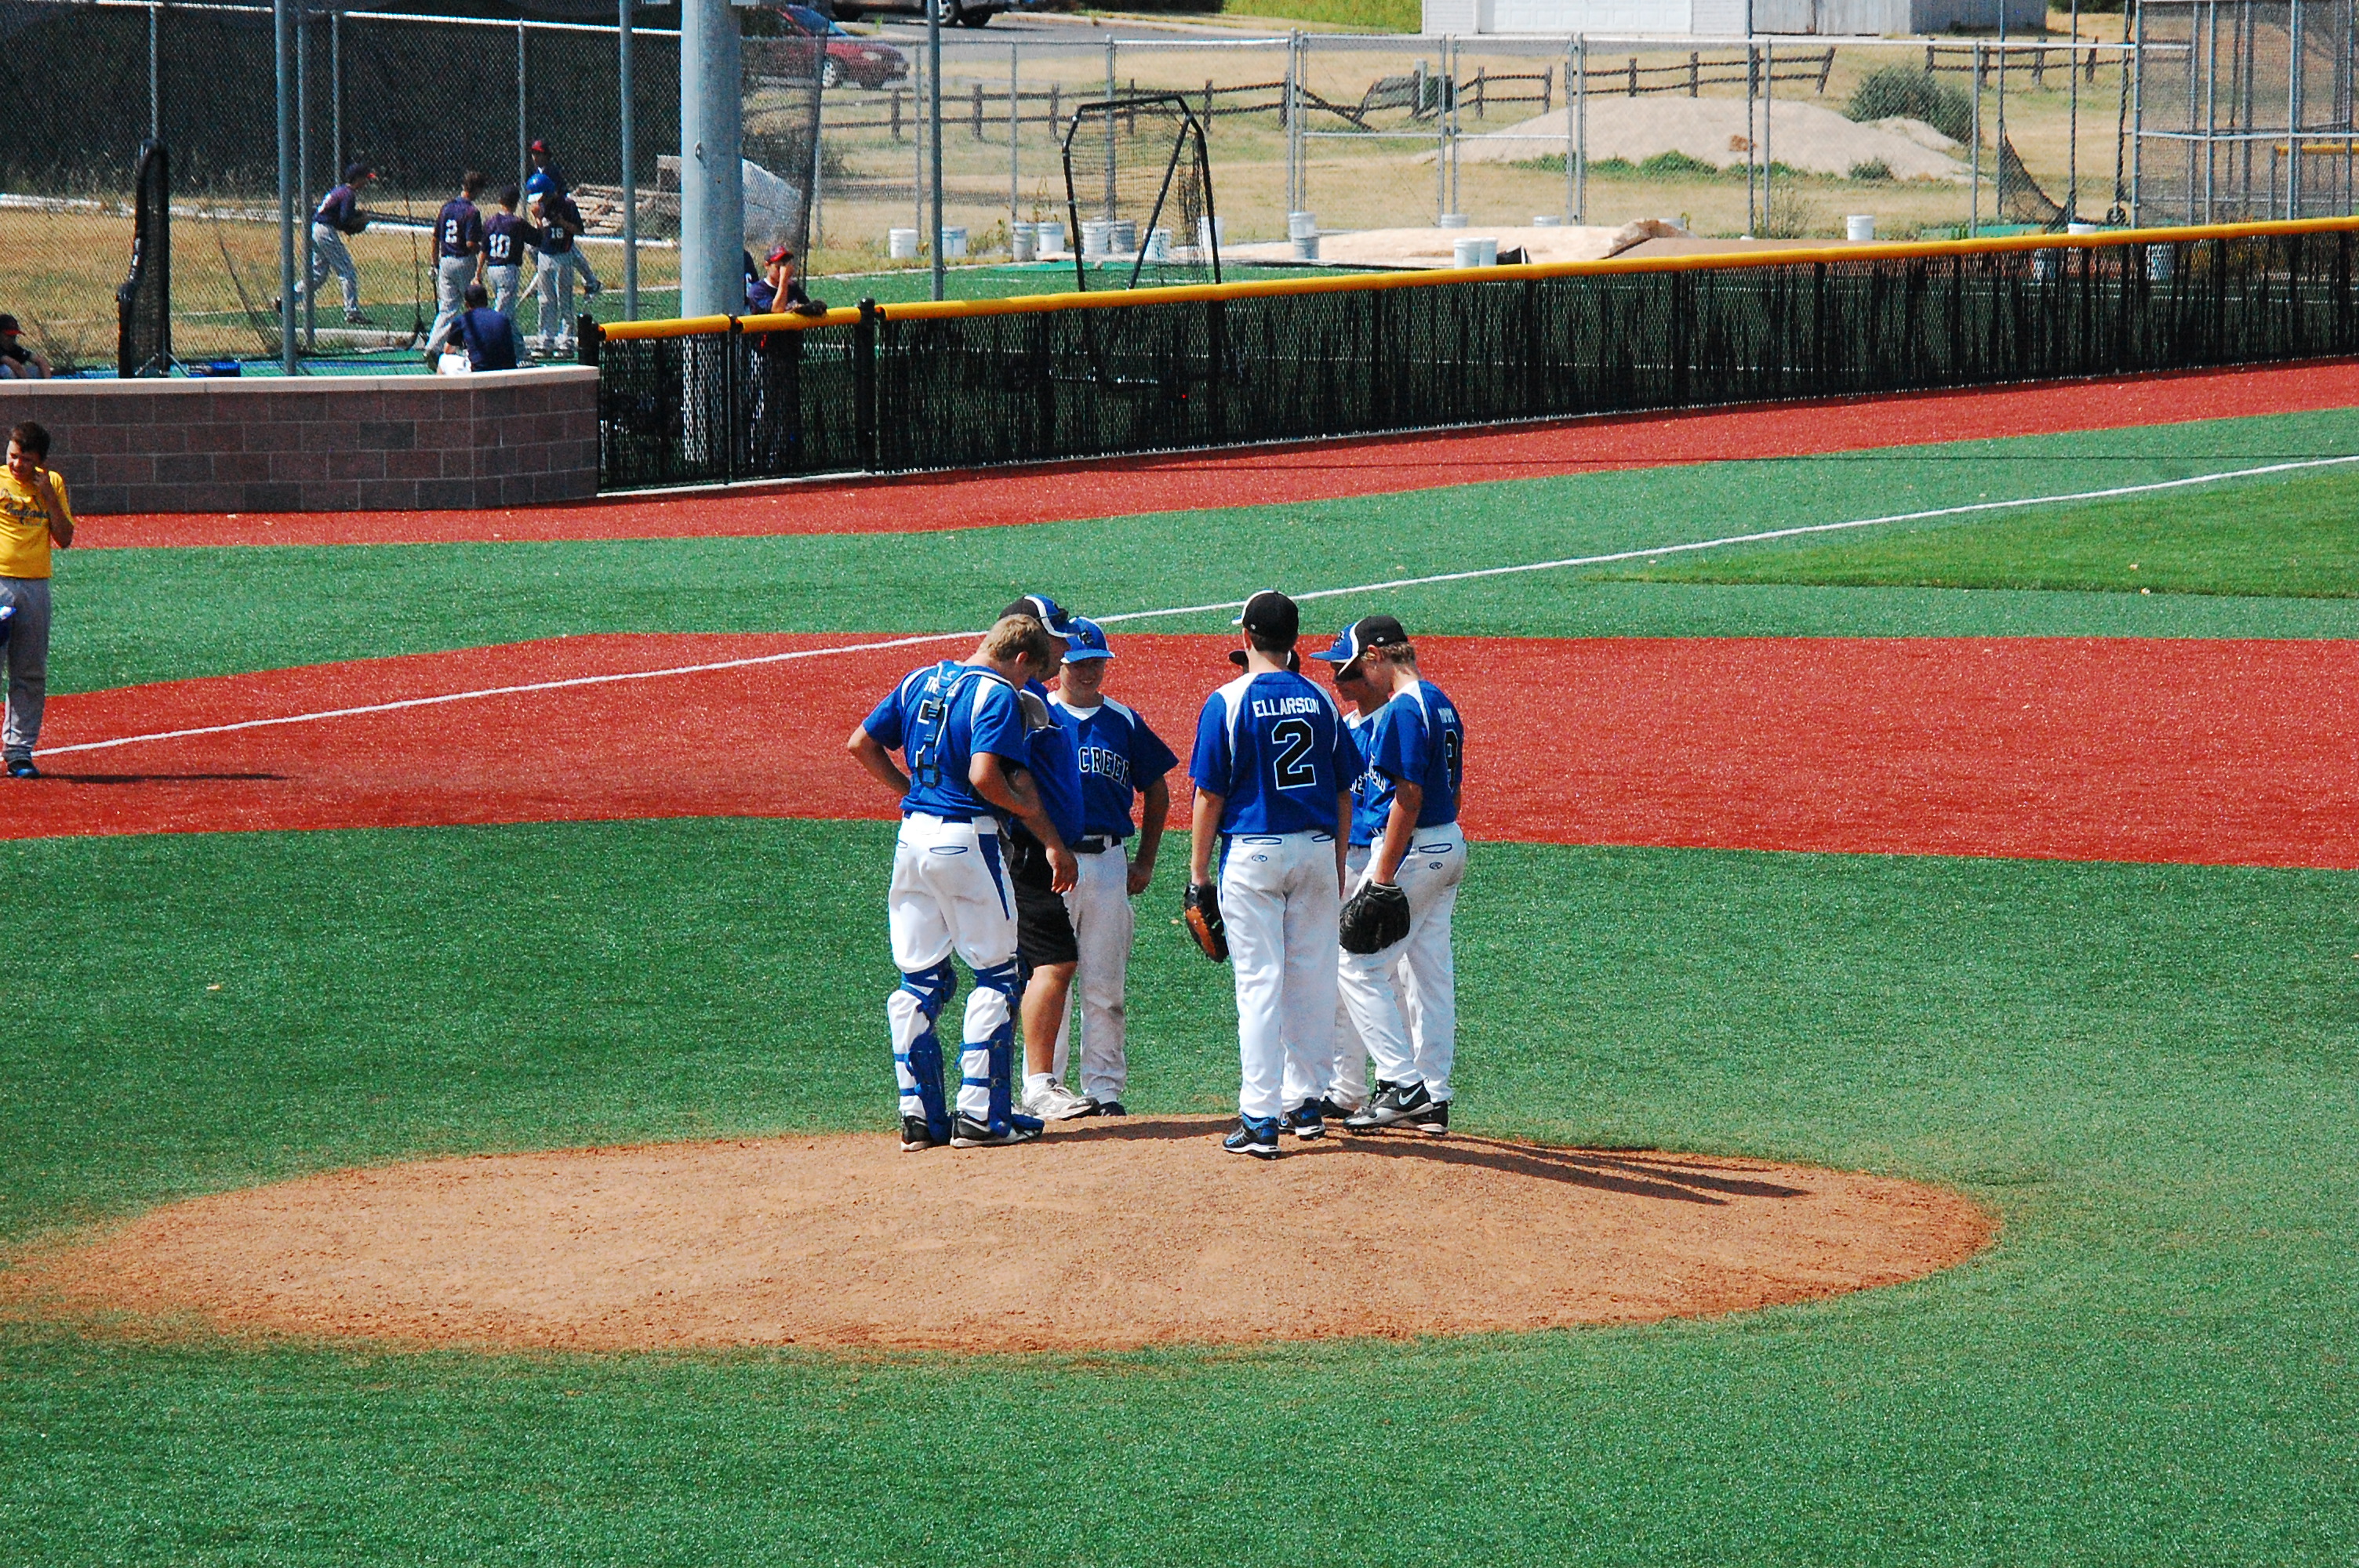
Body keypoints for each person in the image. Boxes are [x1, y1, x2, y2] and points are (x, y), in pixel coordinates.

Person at [845, 612, 1074, 1151]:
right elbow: (983, 775)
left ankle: (919, 1119)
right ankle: (981, 1116)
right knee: (998, 974)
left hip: (912, 839)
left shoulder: (919, 679)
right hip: (967, 840)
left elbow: (861, 743)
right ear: (1021, 658)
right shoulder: (997, 693)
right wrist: (1037, 823)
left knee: (919, 982)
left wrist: (910, 793)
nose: (1029, 684)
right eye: (1031, 673)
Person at [1187, 589, 1360, 1160]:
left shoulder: (1228, 700)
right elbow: (1344, 790)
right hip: (1316, 850)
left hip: (1254, 853)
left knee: (1260, 983)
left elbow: (1209, 795)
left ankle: (1260, 1118)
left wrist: (1198, 875)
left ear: (1246, 637)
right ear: (1294, 639)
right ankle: (1305, 1104)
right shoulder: (1320, 698)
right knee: (1312, 978)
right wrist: (1336, 860)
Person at [1322, 618, 1467, 1137]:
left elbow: (1409, 795)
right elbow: (1447, 788)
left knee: (1355, 964)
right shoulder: (1440, 701)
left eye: (1358, 665)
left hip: (1415, 847)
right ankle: (1434, 1096)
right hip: (1448, 842)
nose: (1353, 677)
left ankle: (1401, 1083)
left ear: (1377, 657)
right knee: (1430, 972)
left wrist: (1382, 875)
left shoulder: (1406, 707)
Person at [1048, 615, 1177, 1116]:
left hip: (1107, 862)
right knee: (1049, 980)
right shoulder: (1039, 714)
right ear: (1059, 664)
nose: (1088, 671)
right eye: (1078, 663)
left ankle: (1104, 1090)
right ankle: (1046, 1087)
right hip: (1052, 865)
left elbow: (1158, 791)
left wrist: (1145, 860)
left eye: (1096, 662)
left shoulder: (1122, 719)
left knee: (1105, 986)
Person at [998, 595, 1096, 1124]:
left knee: (1021, 968)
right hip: (1027, 850)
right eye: (1057, 638)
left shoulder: (1026, 694)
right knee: (1053, 962)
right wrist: (1051, 842)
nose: (1064, 648)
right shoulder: (1017, 698)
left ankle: (999, 1090)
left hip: (1030, 847)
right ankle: (1037, 1086)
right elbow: (1009, 775)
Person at [1310, 622, 1397, 1119]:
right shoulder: (1345, 728)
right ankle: (1345, 1089)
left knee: (1389, 978)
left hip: (1386, 859)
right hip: (1347, 858)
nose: (1337, 679)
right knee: (1345, 978)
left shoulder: (1398, 721)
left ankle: (1404, 1085)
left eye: (1344, 670)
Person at [0, 423, 75, 779]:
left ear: (41, 462)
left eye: (26, 460)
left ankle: (19, 751)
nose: (17, 465)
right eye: (13, 456)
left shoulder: (52, 484)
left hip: (35, 587)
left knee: (29, 671)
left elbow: (65, 537)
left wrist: (48, 496)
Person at [297, 162, 375, 325]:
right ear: (357, 178)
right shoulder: (348, 194)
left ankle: (287, 301)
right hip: (325, 231)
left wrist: (355, 219)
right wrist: (358, 222)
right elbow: (344, 219)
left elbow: (339, 217)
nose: (367, 182)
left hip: (316, 229)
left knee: (318, 274)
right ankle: (352, 312)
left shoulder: (340, 191)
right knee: (347, 271)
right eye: (365, 178)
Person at [522, 139, 602, 297]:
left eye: (539, 153)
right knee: (535, 246)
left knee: (568, 248)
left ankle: (591, 281)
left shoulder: (550, 171)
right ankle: (545, 277)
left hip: (559, 211)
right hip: (547, 212)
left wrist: (549, 213)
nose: (535, 156)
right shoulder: (539, 170)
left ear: (546, 155)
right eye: (533, 153)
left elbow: (555, 195)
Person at [524, 184, 592, 359]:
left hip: (563, 255)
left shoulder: (567, 204)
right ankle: (545, 341)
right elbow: (540, 234)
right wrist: (538, 218)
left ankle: (566, 341)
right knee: (545, 300)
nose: (540, 201)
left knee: (564, 300)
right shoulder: (540, 208)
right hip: (545, 255)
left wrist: (561, 222)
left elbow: (579, 230)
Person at [423, 171, 487, 359]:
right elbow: (470, 244)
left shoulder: (447, 207)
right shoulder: (472, 212)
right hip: (463, 260)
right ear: (477, 190)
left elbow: (435, 238)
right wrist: (484, 248)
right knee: (474, 305)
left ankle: (433, 346)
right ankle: (473, 347)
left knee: (447, 308)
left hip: (446, 260)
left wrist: (434, 263)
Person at [483, 186, 535, 319]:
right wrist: (538, 219)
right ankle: (492, 331)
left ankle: (513, 334)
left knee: (509, 311)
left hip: (492, 268)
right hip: (508, 269)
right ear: (517, 202)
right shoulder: (517, 223)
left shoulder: (490, 221)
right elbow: (538, 239)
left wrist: (478, 272)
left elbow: (484, 249)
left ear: (500, 200)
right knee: (502, 312)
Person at [452, 282, 522, 372]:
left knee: (444, 359)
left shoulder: (463, 319)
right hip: (508, 371)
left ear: (466, 304)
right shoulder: (502, 318)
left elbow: (448, 350)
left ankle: (440, 382)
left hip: (480, 373)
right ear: (487, 301)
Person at [0, 316, 52, 380]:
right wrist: (28, 384)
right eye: (9, 335)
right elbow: (15, 365)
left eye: (14, 335)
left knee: (37, 370)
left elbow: (40, 361)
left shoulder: (14, 348)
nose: (12, 339)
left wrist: (47, 382)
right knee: (6, 370)